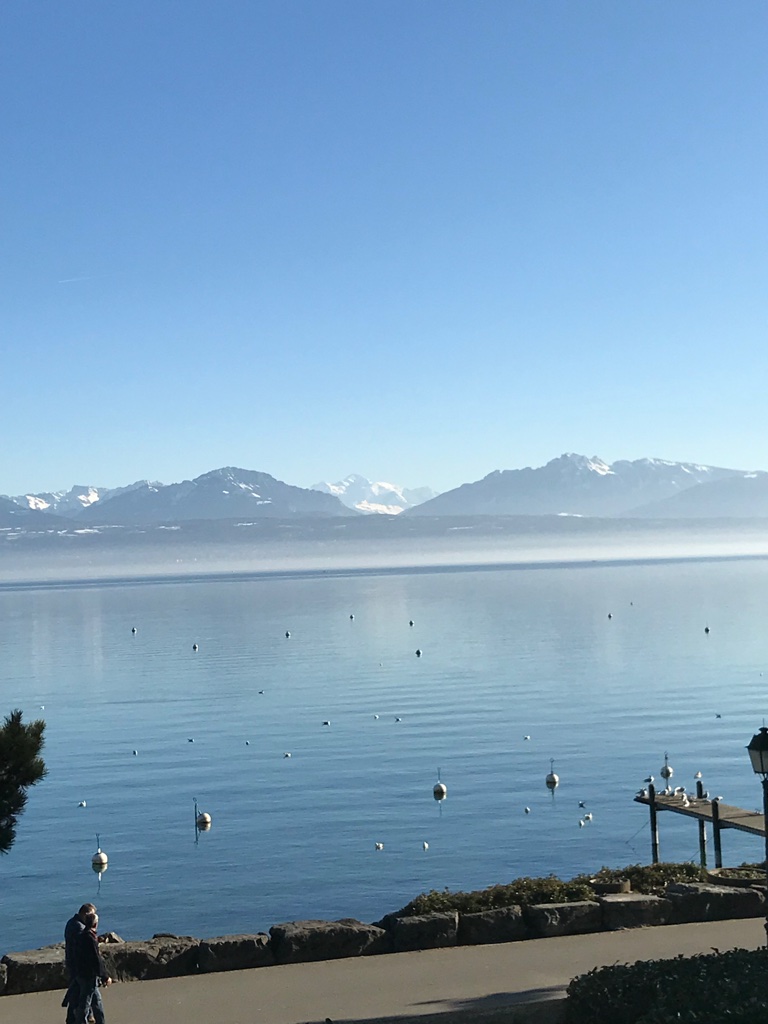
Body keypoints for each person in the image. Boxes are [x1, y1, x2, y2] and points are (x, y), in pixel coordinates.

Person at [71, 911, 112, 1024]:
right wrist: (104, 976)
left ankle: (101, 1021)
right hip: (88, 975)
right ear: (95, 924)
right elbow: (96, 959)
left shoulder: (82, 936)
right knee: (85, 1002)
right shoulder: (89, 938)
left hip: (81, 973)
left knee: (96, 1000)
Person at [63, 904, 97, 1024]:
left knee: (78, 991)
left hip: (72, 961)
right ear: (85, 914)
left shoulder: (71, 922)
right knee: (80, 992)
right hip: (78, 964)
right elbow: (83, 945)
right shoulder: (79, 927)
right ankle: (79, 1018)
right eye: (91, 915)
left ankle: (85, 1016)